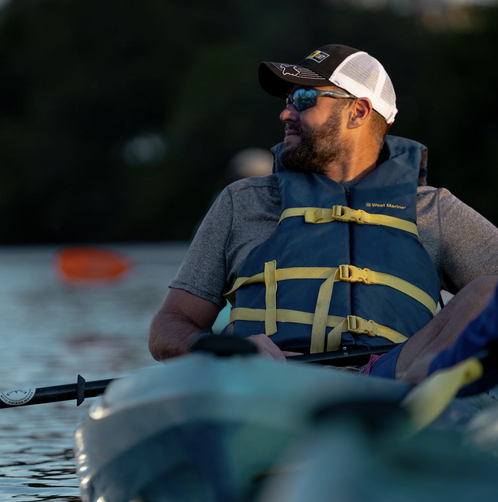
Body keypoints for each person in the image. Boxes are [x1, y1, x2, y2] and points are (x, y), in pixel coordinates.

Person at [148, 44, 498, 385]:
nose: (286, 113)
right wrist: (221, 349)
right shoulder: (242, 202)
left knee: (488, 290)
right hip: (267, 386)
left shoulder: (433, 211)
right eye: (288, 101)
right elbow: (168, 326)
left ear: (358, 111)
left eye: (303, 100)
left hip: (390, 387)